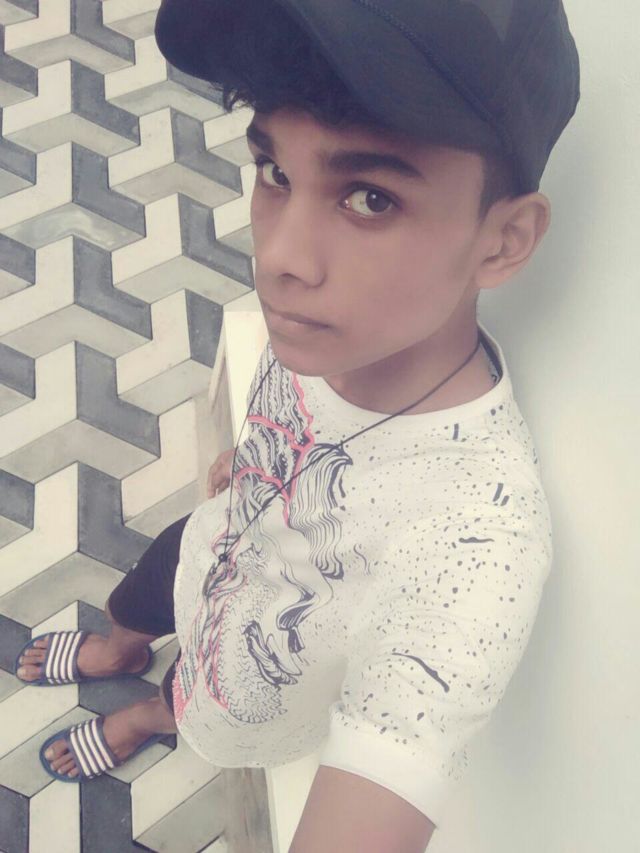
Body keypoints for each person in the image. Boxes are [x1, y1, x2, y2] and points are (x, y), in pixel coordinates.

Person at [14, 0, 580, 849]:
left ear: (503, 241)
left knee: (192, 703)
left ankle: (147, 715)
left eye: (369, 197)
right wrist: (252, 461)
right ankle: (123, 647)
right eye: (274, 171)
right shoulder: (338, 326)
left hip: (254, 679)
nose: (279, 257)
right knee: (135, 597)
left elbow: (396, 752)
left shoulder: (475, 545)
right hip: (211, 540)